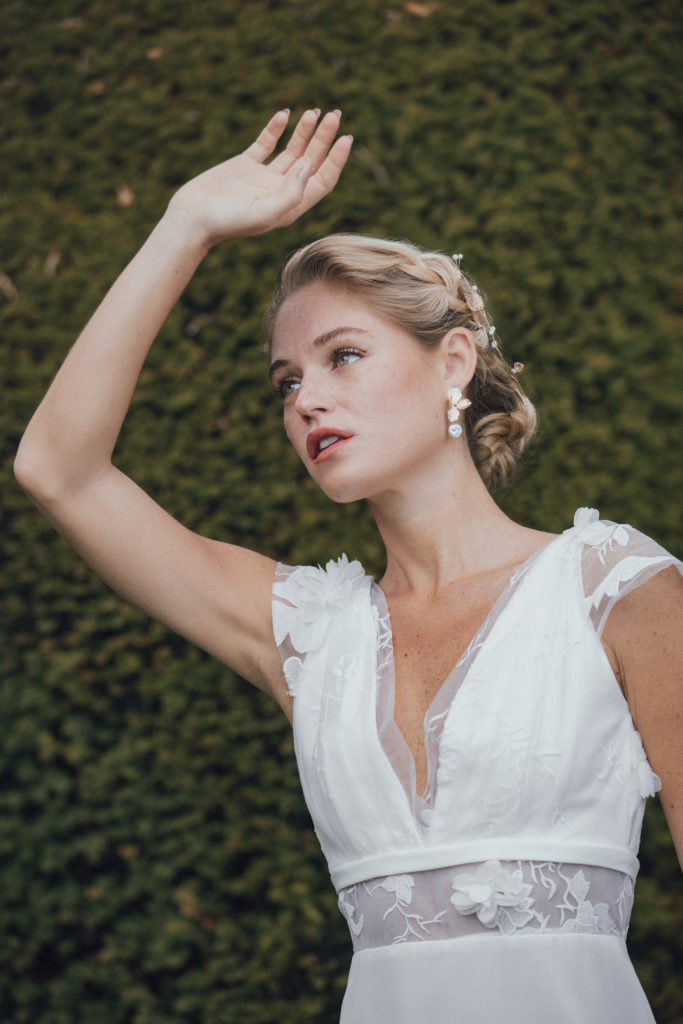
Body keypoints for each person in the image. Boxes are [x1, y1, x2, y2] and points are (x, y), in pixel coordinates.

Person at [15, 109, 683, 1023]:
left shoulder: (610, 586)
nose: (306, 400)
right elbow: (58, 470)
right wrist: (185, 224)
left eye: (344, 356)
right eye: (287, 381)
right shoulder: (306, 632)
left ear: (452, 363)